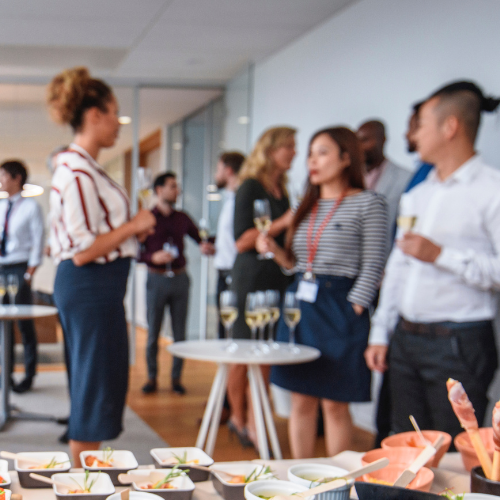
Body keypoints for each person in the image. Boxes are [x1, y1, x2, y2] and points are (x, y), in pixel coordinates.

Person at [365, 81, 500, 441]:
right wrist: (381, 332)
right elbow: (399, 266)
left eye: (421, 123)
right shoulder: (418, 194)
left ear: (450, 126)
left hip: (459, 343)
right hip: (406, 339)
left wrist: (442, 256)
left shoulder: (492, 191)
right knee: (404, 441)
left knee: (454, 448)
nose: (413, 133)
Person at [47, 66, 156, 466]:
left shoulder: (85, 168)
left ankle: (86, 481)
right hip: (89, 284)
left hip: (98, 287)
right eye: (114, 114)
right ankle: (83, 484)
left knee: (97, 387)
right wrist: (135, 225)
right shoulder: (75, 170)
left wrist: (129, 233)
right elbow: (82, 249)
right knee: (94, 392)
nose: (118, 124)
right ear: (94, 115)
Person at [257, 127, 388, 458]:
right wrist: (274, 250)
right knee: (300, 399)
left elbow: (374, 264)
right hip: (301, 304)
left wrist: (354, 309)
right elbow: (296, 263)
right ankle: (300, 478)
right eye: (310, 153)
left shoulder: (368, 202)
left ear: (346, 158)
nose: (312, 160)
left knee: (334, 403)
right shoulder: (306, 204)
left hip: (340, 305)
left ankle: (336, 485)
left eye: (323, 152)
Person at [227, 126, 295, 448]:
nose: (294, 152)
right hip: (250, 278)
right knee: (243, 351)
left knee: (267, 350)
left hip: (276, 278)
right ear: (271, 150)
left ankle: (257, 416)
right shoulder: (250, 187)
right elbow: (242, 241)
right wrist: (284, 222)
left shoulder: (282, 188)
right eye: (289, 147)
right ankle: (238, 418)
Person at [139, 172, 214, 396]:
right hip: (156, 279)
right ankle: (152, 377)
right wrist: (152, 257)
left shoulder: (183, 218)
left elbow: (201, 239)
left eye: (178, 186)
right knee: (153, 332)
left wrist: (210, 244)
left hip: (180, 279)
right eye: (173, 186)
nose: (177, 191)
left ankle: (176, 379)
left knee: (180, 333)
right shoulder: (147, 218)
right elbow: (135, 252)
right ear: (159, 190)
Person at [0, 160, 44, 393]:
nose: (0, 180)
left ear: (17, 178)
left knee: (23, 324)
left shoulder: (31, 208)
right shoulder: (0, 206)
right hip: (0, 269)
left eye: (4, 175)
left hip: (20, 269)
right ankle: (4, 374)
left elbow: (38, 242)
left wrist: (29, 274)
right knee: (1, 325)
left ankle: (28, 375)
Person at [356, 120, 411, 259]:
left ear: (383, 139)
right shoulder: (348, 178)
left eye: (365, 140)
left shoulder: (405, 178)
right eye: (357, 141)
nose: (360, 147)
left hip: (386, 259)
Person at [214, 151, 245, 339]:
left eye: (218, 169)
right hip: (223, 271)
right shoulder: (228, 200)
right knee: (223, 329)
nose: (216, 174)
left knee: (231, 330)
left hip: (232, 273)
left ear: (228, 170)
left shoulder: (240, 201)